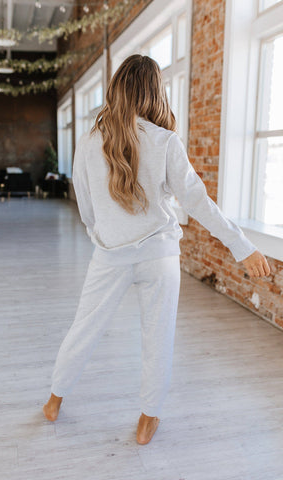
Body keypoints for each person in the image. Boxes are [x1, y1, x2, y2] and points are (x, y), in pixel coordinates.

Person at [43, 54, 271, 444]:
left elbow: (86, 207)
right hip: (159, 255)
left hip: (110, 254)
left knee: (84, 328)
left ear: (116, 88)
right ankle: (148, 419)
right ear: (154, 92)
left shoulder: (88, 142)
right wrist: (243, 247)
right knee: (157, 335)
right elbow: (198, 202)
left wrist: (106, 234)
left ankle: (54, 400)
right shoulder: (165, 142)